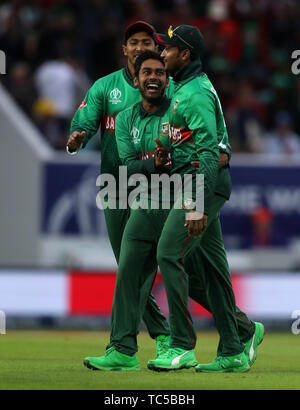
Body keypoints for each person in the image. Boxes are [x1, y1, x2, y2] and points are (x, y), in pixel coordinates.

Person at [84, 50, 261, 372]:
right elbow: (128, 167)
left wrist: (199, 177)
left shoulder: (184, 102)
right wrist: (157, 162)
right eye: (146, 72)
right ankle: (122, 349)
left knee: (200, 274)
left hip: (191, 194)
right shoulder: (127, 118)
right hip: (154, 199)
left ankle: (227, 335)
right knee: (130, 267)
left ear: (167, 80)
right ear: (134, 80)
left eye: (160, 72)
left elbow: (218, 151)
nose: (154, 77)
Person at [147, 25, 264, 373]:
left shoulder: (194, 92)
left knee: (168, 254)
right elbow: (184, 136)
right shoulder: (182, 88)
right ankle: (236, 343)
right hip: (198, 185)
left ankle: (182, 345)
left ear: (184, 55)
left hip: (202, 187)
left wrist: (197, 204)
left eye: (168, 49)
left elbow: (210, 154)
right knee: (211, 272)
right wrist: (165, 146)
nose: (162, 53)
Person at [66, 21, 171, 363]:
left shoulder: (166, 86)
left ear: (156, 49)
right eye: (134, 42)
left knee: (133, 267)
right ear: (124, 50)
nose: (140, 46)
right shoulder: (105, 86)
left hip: (153, 188)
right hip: (114, 186)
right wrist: (79, 135)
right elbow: (85, 118)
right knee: (129, 268)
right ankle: (166, 335)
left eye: (146, 42)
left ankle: (123, 347)